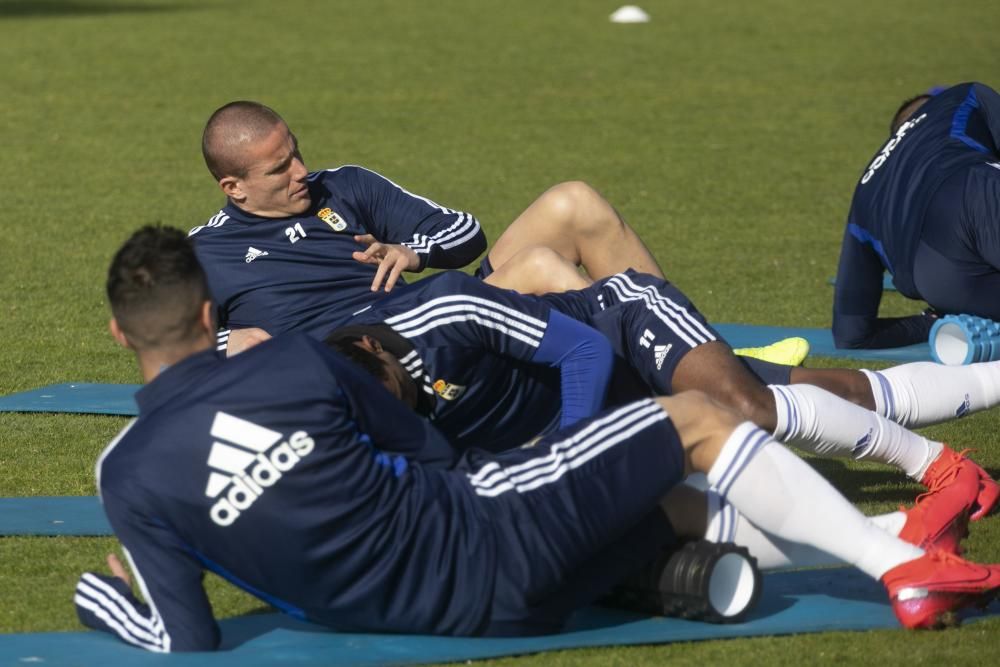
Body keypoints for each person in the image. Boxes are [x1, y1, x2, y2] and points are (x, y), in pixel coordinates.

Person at [74, 227, 1000, 652]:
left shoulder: (128, 474)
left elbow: (184, 638)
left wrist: (98, 599)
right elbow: (435, 462)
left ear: (122, 336)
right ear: (207, 312)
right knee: (693, 419)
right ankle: (895, 562)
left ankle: (890, 525)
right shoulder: (299, 368)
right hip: (493, 543)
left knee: (672, 503)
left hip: (444, 619)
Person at [327, 267, 1000, 532]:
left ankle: (943, 468)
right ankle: (896, 530)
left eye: (391, 393)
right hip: (610, 412)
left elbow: (584, 352)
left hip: (620, 327)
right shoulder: (351, 403)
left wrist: (575, 452)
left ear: (377, 352)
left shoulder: (444, 305)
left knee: (752, 408)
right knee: (844, 395)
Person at [191, 101, 663, 354]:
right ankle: (650, 367)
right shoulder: (205, 252)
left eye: (296, 150)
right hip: (381, 357)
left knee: (574, 202)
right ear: (234, 187)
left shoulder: (344, 186)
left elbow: (464, 231)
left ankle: (680, 339)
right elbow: (167, 340)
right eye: (279, 168)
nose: (301, 170)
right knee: (539, 266)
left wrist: (413, 253)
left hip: (437, 313)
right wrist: (230, 340)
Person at [833, 81, 1000, 349]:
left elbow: (850, 333)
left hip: (940, 279)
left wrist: (932, 322)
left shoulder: (863, 195)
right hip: (973, 191)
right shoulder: (962, 96)